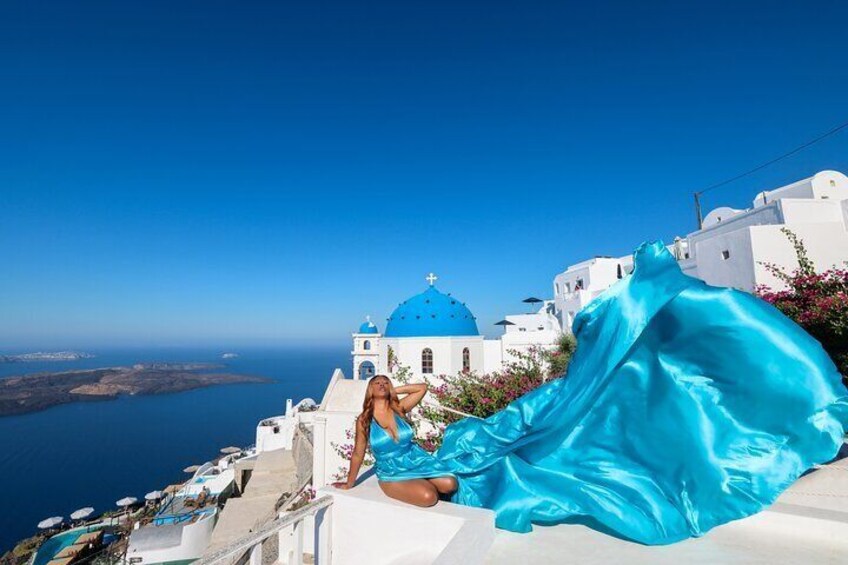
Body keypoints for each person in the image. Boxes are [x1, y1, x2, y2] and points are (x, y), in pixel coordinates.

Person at [334, 241, 848, 545]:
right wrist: (348, 479)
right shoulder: (364, 423)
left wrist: (391, 382)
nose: (378, 381)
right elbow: (358, 454)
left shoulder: (399, 403)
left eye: (380, 377)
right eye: (375, 379)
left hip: (421, 463)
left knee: (449, 483)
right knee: (433, 494)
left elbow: (421, 385)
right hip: (400, 474)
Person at [331, 376, 459, 506]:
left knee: (450, 484)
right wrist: (349, 483)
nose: (382, 385)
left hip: (415, 459)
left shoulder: (399, 408)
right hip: (391, 470)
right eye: (377, 383)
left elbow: (422, 388)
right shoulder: (364, 420)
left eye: (386, 383)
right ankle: (417, 483)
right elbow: (358, 453)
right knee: (429, 497)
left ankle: (420, 480)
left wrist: (393, 390)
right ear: (370, 389)